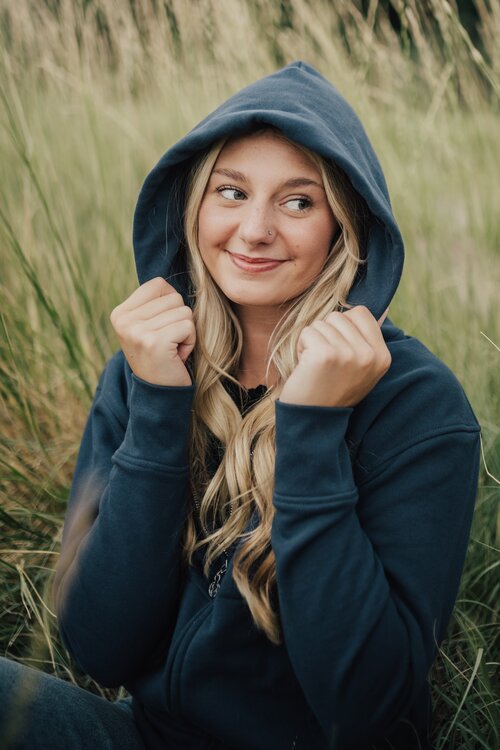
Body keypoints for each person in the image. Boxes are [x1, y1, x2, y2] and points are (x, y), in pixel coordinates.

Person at [0, 60, 481, 750]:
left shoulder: (417, 404)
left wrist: (312, 431)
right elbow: (100, 648)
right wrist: (160, 407)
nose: (254, 230)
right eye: (231, 192)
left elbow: (367, 710)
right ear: (193, 205)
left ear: (346, 226)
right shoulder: (145, 371)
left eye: (297, 202)